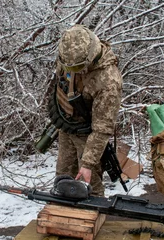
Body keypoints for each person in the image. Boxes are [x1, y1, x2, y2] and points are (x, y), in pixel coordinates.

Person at [48, 24, 122, 196]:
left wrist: (88, 163)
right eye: (67, 66)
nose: (70, 70)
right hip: (67, 126)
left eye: (75, 68)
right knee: (63, 178)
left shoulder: (108, 81)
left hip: (88, 136)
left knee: (89, 185)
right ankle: (64, 215)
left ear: (90, 56)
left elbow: (102, 128)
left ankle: (91, 217)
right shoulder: (68, 55)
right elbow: (61, 82)